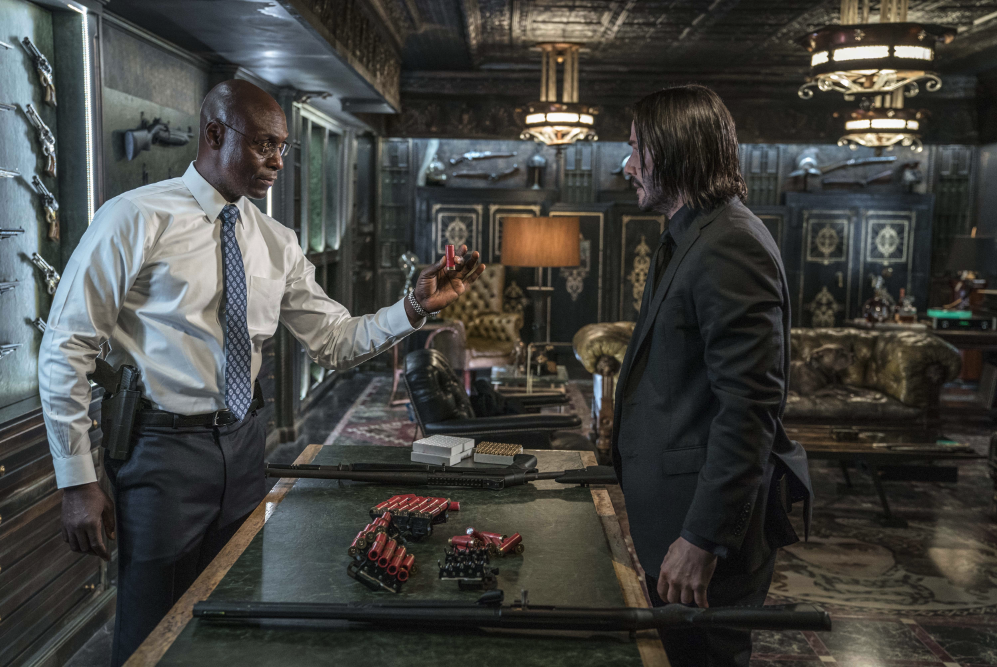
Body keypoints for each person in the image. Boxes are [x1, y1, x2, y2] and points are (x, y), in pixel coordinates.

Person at [38, 79, 484, 666]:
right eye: (263, 145)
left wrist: (413, 308)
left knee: (236, 609)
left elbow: (334, 340)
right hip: (161, 454)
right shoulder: (136, 217)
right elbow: (66, 347)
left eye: (282, 148)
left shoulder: (276, 241)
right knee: (153, 627)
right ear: (214, 134)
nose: (276, 161)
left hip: (247, 444)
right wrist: (76, 481)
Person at [614, 85, 813, 667]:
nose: (627, 166)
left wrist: (703, 538)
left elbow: (750, 409)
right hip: (673, 515)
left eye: (636, 149)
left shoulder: (730, 244)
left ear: (674, 150)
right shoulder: (694, 233)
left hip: (702, 531)